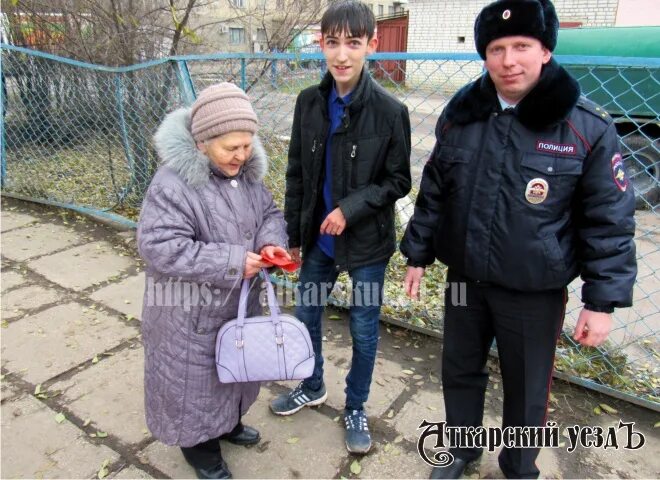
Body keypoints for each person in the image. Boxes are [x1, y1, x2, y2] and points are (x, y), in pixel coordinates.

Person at [400, 0, 637, 478]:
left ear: (545, 50)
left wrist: (602, 302)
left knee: (527, 385)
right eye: (497, 48)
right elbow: (434, 191)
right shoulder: (462, 113)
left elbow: (608, 219)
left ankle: (518, 464)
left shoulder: (584, 127)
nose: (509, 60)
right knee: (459, 369)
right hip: (465, 278)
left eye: (522, 46)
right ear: (484, 55)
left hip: (533, 288)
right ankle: (463, 451)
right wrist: (418, 254)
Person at [271, 0, 412, 454]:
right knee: (306, 313)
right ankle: (312, 385)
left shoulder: (391, 112)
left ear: (371, 44)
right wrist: (294, 237)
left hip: (367, 245)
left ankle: (356, 405)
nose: (342, 55)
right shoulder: (309, 103)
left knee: (364, 329)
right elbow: (296, 172)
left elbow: (398, 181)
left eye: (353, 43)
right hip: (319, 241)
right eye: (333, 43)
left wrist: (350, 208)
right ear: (321, 45)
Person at [137, 83, 289, 479]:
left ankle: (228, 423)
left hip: (235, 303)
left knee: (234, 370)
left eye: (247, 144)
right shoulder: (173, 184)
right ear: (202, 143)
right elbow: (160, 246)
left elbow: (270, 212)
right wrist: (233, 260)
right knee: (196, 381)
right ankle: (200, 450)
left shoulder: (247, 175)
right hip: (189, 312)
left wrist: (270, 243)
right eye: (231, 147)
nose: (242, 154)